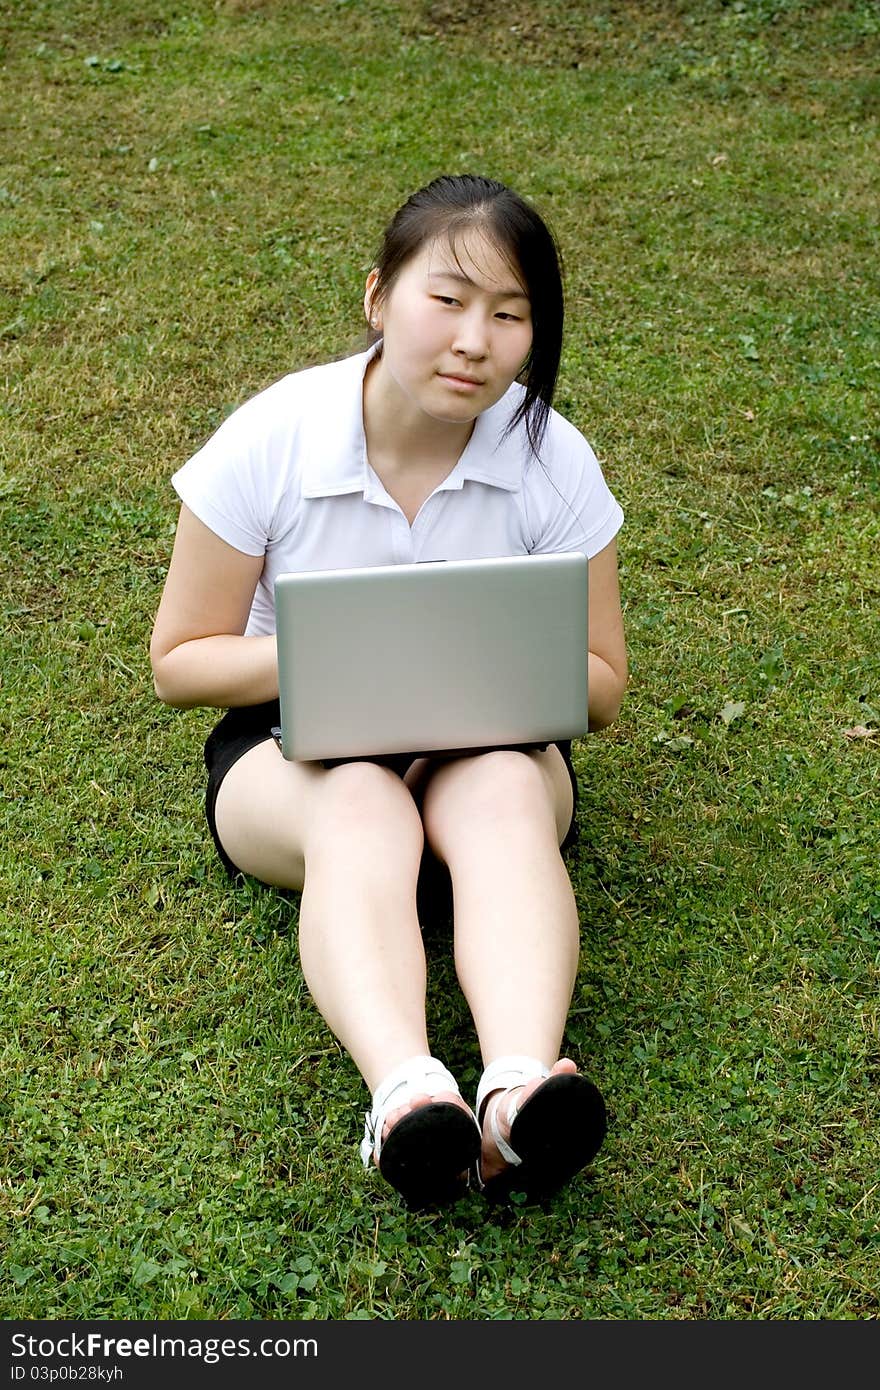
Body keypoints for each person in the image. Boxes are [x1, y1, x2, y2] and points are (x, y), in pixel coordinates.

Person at [150, 173, 628, 1210]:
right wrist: (346, 652)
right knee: (361, 801)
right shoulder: (273, 436)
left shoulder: (553, 458)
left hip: (487, 743)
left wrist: (461, 666)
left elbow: (598, 689)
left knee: (503, 785)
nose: (475, 340)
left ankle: (517, 1086)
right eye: (447, 300)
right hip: (293, 751)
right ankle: (406, 1094)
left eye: (510, 315)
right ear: (378, 297)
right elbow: (181, 659)